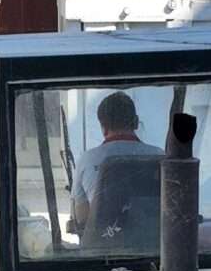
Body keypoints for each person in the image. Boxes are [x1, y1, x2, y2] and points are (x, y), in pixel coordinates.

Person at [69, 91, 161, 233]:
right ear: (136, 122)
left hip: (103, 249)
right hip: (155, 246)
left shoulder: (87, 159)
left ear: (103, 127)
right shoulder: (160, 157)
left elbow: (81, 218)